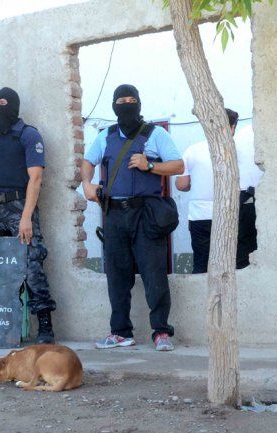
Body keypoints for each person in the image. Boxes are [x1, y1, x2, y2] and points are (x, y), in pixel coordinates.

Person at [81, 84, 184, 351]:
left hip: (146, 213)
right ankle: (120, 332)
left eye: (131, 99)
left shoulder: (155, 133)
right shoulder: (106, 136)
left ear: (139, 103)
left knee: (154, 273)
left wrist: (149, 165)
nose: (126, 104)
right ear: (114, 105)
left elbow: (177, 165)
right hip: (114, 213)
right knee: (117, 275)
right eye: (121, 100)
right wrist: (87, 184)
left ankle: (161, 332)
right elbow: (88, 162)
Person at [0, 87, 56, 344]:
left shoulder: (28, 135)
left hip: (19, 207)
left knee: (31, 267)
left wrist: (26, 216)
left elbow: (36, 177)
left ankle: (45, 327)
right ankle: (1, 330)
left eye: (3, 103)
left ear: (14, 106)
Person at [175, 108, 263, 273]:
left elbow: (181, 185)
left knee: (202, 264)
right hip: (233, 214)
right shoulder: (240, 149)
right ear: (232, 127)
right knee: (238, 262)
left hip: (200, 216)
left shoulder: (193, 150)